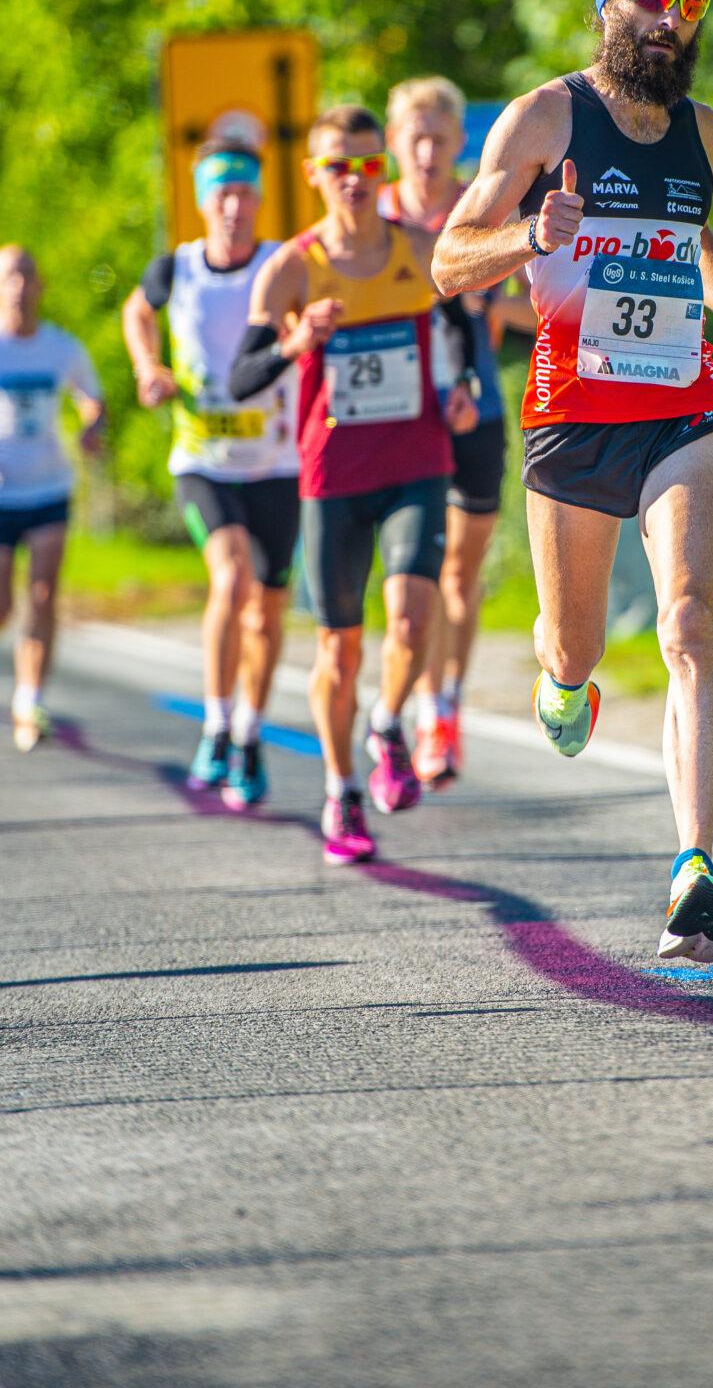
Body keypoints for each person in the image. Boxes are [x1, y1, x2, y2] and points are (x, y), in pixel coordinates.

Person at [432, 0, 713, 963]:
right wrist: (524, 237)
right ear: (608, 4)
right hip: (572, 421)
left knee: (688, 623)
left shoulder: (705, 132)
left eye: (689, 4)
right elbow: (449, 263)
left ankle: (695, 870)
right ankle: (560, 678)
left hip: (681, 409)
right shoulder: (545, 118)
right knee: (576, 645)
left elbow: (694, 243)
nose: (669, 21)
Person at [229, 104, 477, 866]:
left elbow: (461, 320)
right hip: (331, 475)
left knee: (410, 618)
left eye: (370, 163)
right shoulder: (293, 268)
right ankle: (341, 791)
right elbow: (241, 377)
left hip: (416, 461)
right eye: (339, 165)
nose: (356, 179)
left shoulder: (421, 248)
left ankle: (390, 724)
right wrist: (298, 339)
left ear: (386, 169)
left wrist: (463, 382)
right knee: (338, 655)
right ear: (314, 175)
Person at [121, 139, 299, 808]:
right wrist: (148, 368)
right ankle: (217, 723)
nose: (232, 206)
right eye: (220, 193)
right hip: (202, 463)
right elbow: (137, 311)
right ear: (202, 201)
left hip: (277, 462)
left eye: (244, 193)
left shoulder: (280, 265)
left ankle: (249, 735)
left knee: (268, 612)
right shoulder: (176, 269)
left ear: (257, 199)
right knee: (232, 579)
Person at [382, 75, 534, 787]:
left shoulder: (486, 208)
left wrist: (494, 312)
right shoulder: (373, 215)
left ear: (457, 145)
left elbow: (547, 310)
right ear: (394, 143)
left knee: (458, 573)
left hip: (477, 413)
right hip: (395, 418)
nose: (426, 150)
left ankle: (445, 705)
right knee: (410, 578)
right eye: (415, 136)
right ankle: (418, 708)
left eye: (440, 138)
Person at [0, 246, 105, 751]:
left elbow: (93, 399)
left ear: (41, 284)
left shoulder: (61, 348)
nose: (20, 286)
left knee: (44, 594)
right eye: (9, 276)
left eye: (28, 275)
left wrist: (93, 426)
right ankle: (15, 662)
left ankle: (30, 698)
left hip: (48, 487)